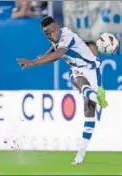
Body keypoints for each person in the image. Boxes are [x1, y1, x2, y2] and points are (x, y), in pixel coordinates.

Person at [17, 16, 108, 165]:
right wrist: (45, 55)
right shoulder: (53, 37)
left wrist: (34, 62)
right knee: (77, 82)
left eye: (52, 31)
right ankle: (97, 97)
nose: (51, 35)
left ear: (57, 26)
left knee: (89, 110)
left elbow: (58, 54)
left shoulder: (68, 35)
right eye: (47, 34)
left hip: (91, 68)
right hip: (77, 69)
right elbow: (54, 48)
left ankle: (81, 153)